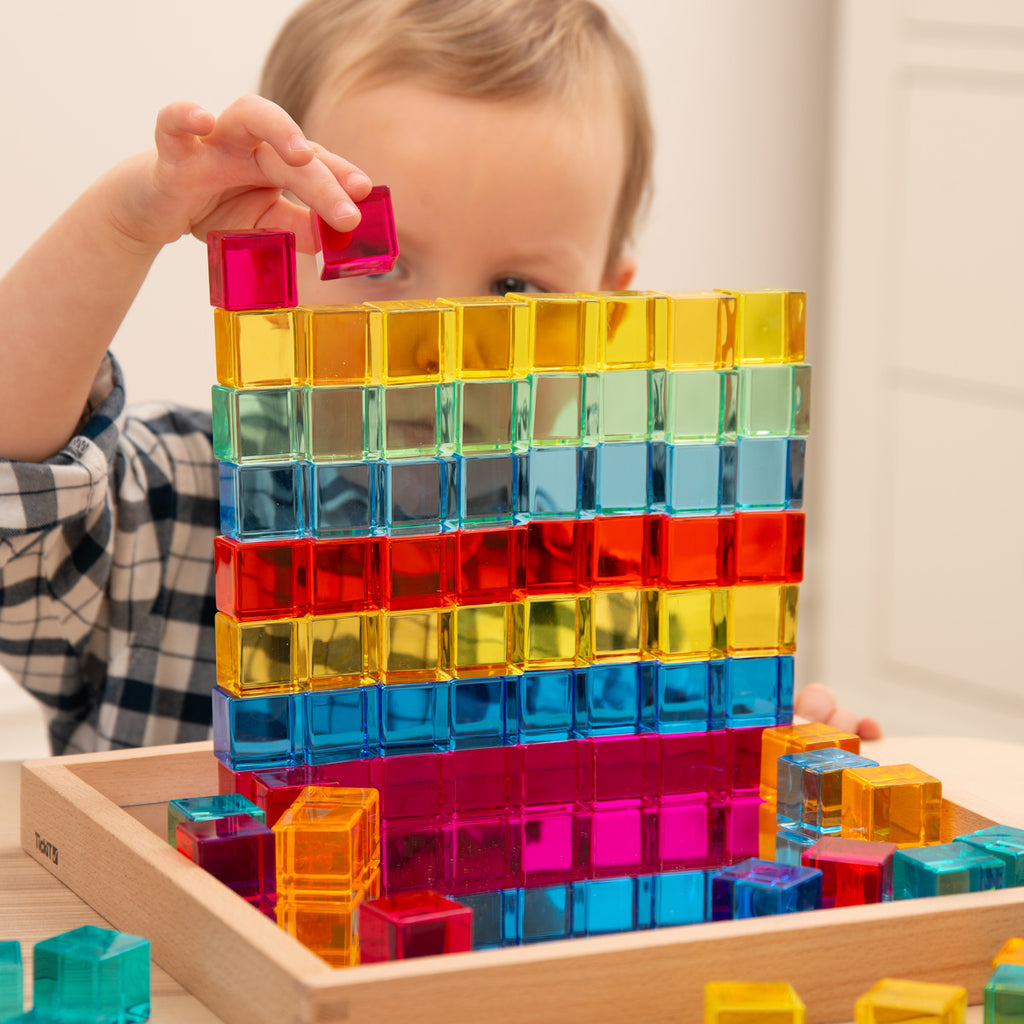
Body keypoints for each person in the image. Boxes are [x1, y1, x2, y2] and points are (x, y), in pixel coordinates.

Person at [0, 0, 878, 755]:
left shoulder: (634, 567)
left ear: (604, 317)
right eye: (380, 261)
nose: (442, 349)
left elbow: (666, 803)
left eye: (514, 289)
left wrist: (757, 741)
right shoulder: (176, 503)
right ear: (264, 247)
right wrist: (127, 224)